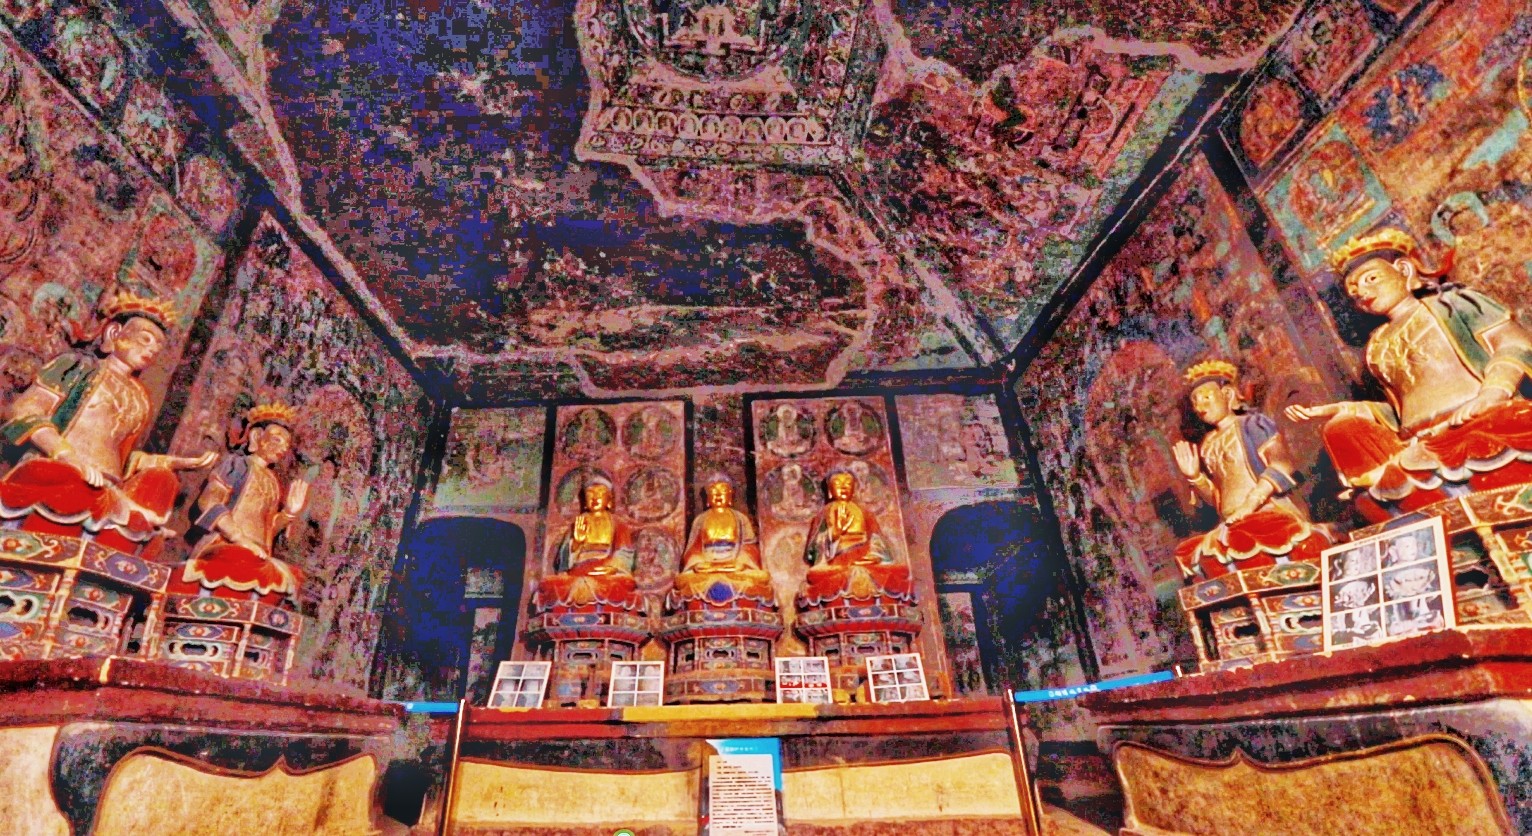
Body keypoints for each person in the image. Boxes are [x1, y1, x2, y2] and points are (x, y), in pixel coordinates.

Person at [1287, 228, 1532, 520]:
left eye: (1370, 279)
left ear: (1403, 270)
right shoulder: (1376, 345)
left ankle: (1424, 490)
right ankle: (1414, 494)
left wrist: (1493, 392)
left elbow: (1515, 344)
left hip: (1477, 419)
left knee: (1507, 424)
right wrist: (1348, 409)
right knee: (1341, 430)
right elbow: (1399, 414)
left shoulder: (1451, 303)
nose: (1362, 292)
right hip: (1418, 442)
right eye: (1354, 292)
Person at [0, 293, 215, 555]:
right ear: (114, 333)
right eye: (145, 339)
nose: (152, 350)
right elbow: (24, 409)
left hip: (109, 485)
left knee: (162, 481)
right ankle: (128, 518)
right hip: (61, 468)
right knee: (75, 486)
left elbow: (122, 459)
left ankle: (125, 522)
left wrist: (172, 463)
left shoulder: (140, 397)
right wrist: (67, 456)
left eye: (158, 346)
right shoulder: (78, 367)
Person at [1171, 360, 1330, 580]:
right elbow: (1218, 498)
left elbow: (1281, 464)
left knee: (1245, 539)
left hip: (1267, 511)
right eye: (1195, 401)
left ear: (1227, 395)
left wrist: (1249, 505)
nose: (1200, 407)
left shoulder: (1252, 425)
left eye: (1206, 397)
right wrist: (1195, 477)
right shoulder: (1208, 444)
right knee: (1187, 552)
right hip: (1231, 523)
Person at [173, 403, 308, 606]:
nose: (282, 449)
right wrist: (240, 538)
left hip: (258, 553)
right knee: (245, 562)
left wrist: (289, 513)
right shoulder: (237, 465)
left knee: (293, 576)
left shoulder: (273, 482)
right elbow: (209, 502)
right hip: (226, 545)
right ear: (256, 437)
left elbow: (268, 529)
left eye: (286, 445)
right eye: (277, 439)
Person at [800, 470, 912, 604]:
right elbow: (812, 552)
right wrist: (833, 535)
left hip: (867, 561)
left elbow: (877, 540)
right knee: (816, 575)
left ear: (854, 489)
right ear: (829, 490)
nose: (844, 487)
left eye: (848, 483)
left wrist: (874, 556)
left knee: (901, 571)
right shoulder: (824, 513)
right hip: (836, 564)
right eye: (838, 483)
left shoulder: (865, 513)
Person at [535, 479, 641, 609]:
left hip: (605, 574)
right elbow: (563, 563)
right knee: (549, 583)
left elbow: (624, 553)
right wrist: (576, 543)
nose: (595, 498)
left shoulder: (618, 524)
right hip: (578, 572)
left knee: (623, 583)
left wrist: (613, 567)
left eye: (600, 493)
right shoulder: (577, 524)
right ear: (584, 501)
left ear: (609, 500)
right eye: (590, 494)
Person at [670, 478, 774, 604]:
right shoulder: (700, 520)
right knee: (684, 580)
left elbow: (749, 547)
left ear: (730, 496)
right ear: (708, 497)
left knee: (760, 578)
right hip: (707, 566)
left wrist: (742, 564)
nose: (718, 495)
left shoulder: (741, 519)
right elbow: (693, 550)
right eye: (714, 492)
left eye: (723, 491)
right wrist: (697, 564)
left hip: (734, 566)